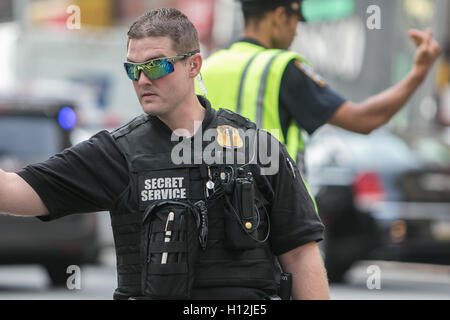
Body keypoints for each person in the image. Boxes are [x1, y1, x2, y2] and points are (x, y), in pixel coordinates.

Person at [0, 8, 329, 300]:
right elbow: (14, 191)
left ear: (193, 65)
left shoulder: (257, 147)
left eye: (156, 66)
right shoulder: (117, 153)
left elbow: (300, 254)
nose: (142, 79)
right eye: (133, 69)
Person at [200, 0, 442, 173]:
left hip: (215, 225)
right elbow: (364, 119)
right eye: (295, 21)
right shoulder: (281, 67)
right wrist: (418, 74)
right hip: (275, 228)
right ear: (279, 16)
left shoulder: (207, 68)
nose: (295, 33)